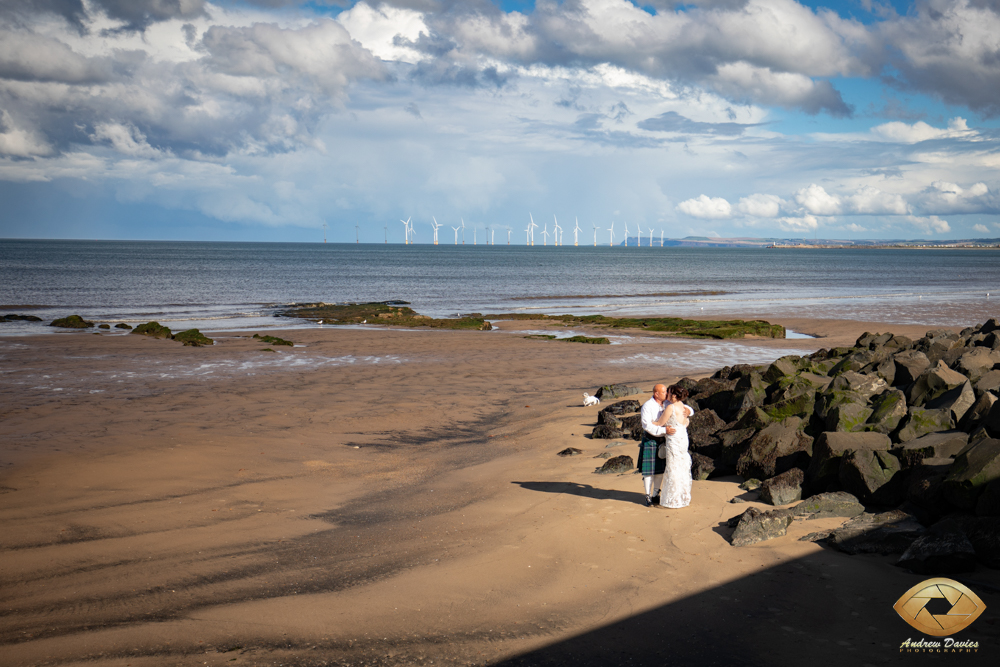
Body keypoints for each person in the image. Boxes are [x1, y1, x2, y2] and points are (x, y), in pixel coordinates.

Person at [653, 385, 695, 509]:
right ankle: (683, 497)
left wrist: (647, 423)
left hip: (674, 440)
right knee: (681, 466)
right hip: (683, 439)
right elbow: (687, 418)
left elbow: (660, 423)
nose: (667, 395)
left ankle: (673, 499)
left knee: (673, 467)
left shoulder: (671, 407)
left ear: (674, 396)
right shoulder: (683, 406)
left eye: (669, 393)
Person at [638, 384, 676, 507]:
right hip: (651, 440)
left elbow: (682, 407)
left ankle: (655, 494)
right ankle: (647, 496)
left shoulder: (667, 403)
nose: (667, 394)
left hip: (663, 441)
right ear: (656, 394)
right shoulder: (647, 406)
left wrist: (689, 411)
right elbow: (647, 426)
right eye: (664, 392)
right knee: (648, 471)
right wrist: (664, 431)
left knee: (660, 471)